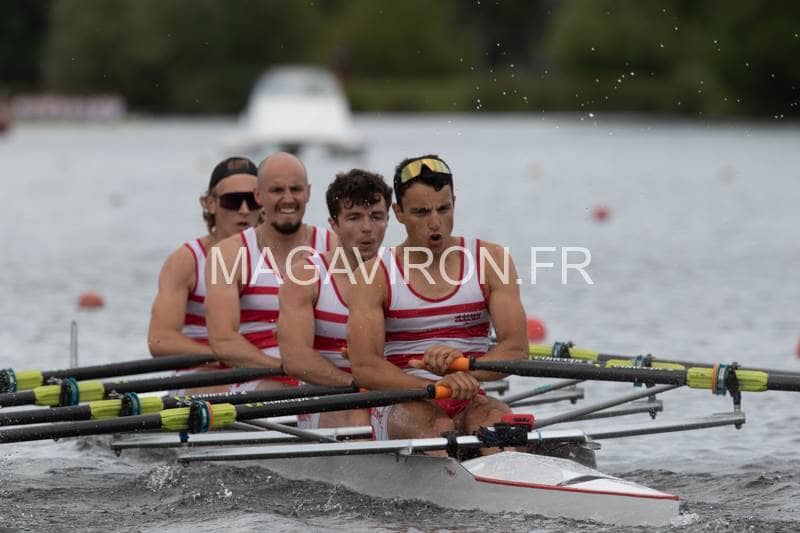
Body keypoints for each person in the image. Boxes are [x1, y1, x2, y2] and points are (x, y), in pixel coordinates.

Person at [347, 155, 528, 445]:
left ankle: (504, 463)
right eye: (420, 212)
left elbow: (516, 350)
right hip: (402, 401)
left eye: (443, 209)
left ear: (454, 202)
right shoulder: (373, 274)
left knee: (497, 421)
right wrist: (434, 385)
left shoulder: (491, 260)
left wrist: (463, 367)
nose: (435, 223)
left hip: (470, 394)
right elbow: (365, 367)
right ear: (398, 212)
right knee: (437, 426)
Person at [205, 152, 335, 390]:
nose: (288, 199)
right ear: (258, 196)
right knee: (276, 388)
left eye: (296, 189)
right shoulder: (227, 254)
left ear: (308, 192)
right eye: (277, 191)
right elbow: (224, 341)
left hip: (328, 376)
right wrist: (289, 368)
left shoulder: (334, 246)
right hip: (261, 378)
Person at [278, 169, 392, 428]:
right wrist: (356, 383)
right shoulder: (305, 276)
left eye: (376, 217)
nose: (367, 228)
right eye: (354, 218)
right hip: (327, 396)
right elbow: (295, 359)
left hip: (387, 391)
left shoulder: (402, 271)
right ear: (334, 224)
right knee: (360, 416)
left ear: (388, 219)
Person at [147, 156, 261, 393]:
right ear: (210, 204)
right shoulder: (187, 260)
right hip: (202, 376)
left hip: (264, 371)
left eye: (252, 201)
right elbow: (160, 340)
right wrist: (225, 355)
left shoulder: (282, 257)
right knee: (218, 388)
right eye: (232, 201)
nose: (244, 210)